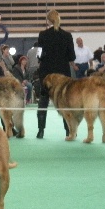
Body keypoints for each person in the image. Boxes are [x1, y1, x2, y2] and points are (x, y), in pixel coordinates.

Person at [36, 9, 76, 139]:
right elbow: (72, 56)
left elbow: (39, 56)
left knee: (43, 100)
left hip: (46, 73)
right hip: (63, 74)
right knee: (65, 102)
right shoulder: (67, 35)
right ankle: (68, 131)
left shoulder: (42, 35)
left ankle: (40, 131)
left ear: (48, 20)